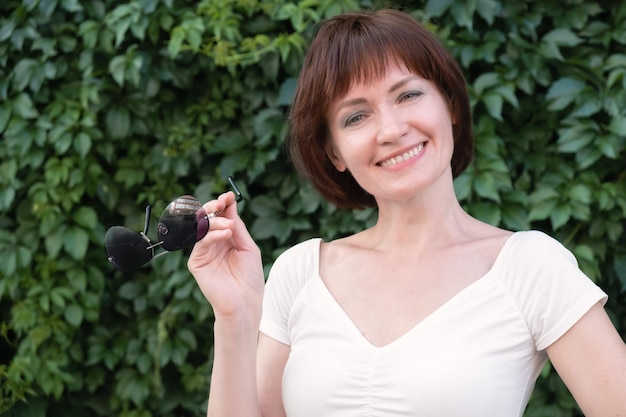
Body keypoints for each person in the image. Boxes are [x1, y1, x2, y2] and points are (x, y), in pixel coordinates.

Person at [187, 8, 626, 417]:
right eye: (356, 117)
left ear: (450, 104)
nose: (392, 130)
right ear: (334, 152)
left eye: (409, 95)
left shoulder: (530, 268)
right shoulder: (299, 273)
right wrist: (235, 317)